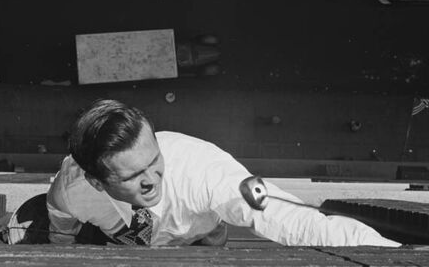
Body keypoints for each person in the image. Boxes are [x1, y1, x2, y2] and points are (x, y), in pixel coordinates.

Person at [42, 99, 400, 247]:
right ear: (96, 181)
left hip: (200, 237)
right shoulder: (72, 187)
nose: (153, 180)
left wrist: (384, 252)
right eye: (134, 176)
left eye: (155, 161)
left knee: (212, 245)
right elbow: (60, 218)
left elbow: (285, 214)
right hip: (124, 245)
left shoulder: (205, 171)